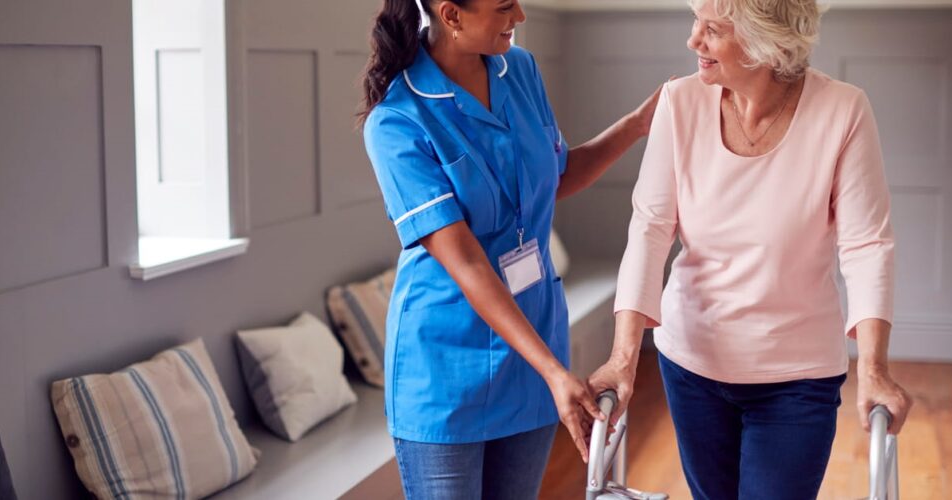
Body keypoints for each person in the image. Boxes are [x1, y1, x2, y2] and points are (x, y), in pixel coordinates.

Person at [587, 0, 913, 498]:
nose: (693, 41)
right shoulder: (680, 102)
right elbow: (651, 229)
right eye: (695, 22)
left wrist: (873, 368)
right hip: (691, 361)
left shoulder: (843, 110)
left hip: (797, 376)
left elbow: (867, 244)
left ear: (768, 44)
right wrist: (623, 358)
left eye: (712, 30)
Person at [359, 0, 659, 497]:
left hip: (534, 357)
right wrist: (555, 372)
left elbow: (557, 176)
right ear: (452, 15)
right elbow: (468, 262)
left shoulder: (520, 70)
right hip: (446, 374)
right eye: (503, 6)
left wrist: (637, 124)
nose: (519, 16)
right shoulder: (396, 121)